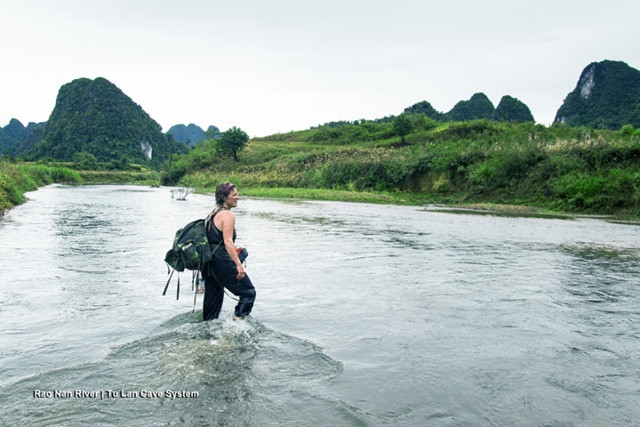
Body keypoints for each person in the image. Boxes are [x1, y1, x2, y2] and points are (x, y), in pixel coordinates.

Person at [201, 182, 256, 320]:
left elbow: (214, 240)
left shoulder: (212, 213)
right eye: (234, 194)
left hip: (208, 263)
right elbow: (227, 241)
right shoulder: (228, 215)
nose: (238, 197)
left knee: (212, 305)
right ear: (224, 197)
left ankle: (207, 335)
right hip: (220, 260)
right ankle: (237, 326)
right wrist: (238, 265)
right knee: (248, 292)